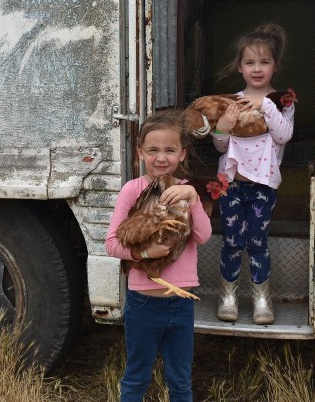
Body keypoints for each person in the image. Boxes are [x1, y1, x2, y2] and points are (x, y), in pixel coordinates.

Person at [105, 109, 212, 402]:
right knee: (137, 376)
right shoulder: (133, 190)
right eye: (153, 150)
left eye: (169, 150)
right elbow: (111, 244)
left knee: (180, 379)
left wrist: (194, 199)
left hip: (182, 302)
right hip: (143, 302)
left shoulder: (186, 191)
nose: (161, 158)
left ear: (182, 154)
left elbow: (203, 236)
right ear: (140, 152)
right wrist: (144, 253)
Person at [211, 23, 295, 325]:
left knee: (258, 242)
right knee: (232, 242)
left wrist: (266, 106)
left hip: (263, 187)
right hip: (231, 186)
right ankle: (228, 296)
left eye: (264, 62)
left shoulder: (282, 101)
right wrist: (223, 127)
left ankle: (262, 298)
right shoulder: (230, 102)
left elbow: (284, 136)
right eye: (250, 62)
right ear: (240, 67)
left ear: (275, 65)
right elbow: (222, 147)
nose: (257, 69)